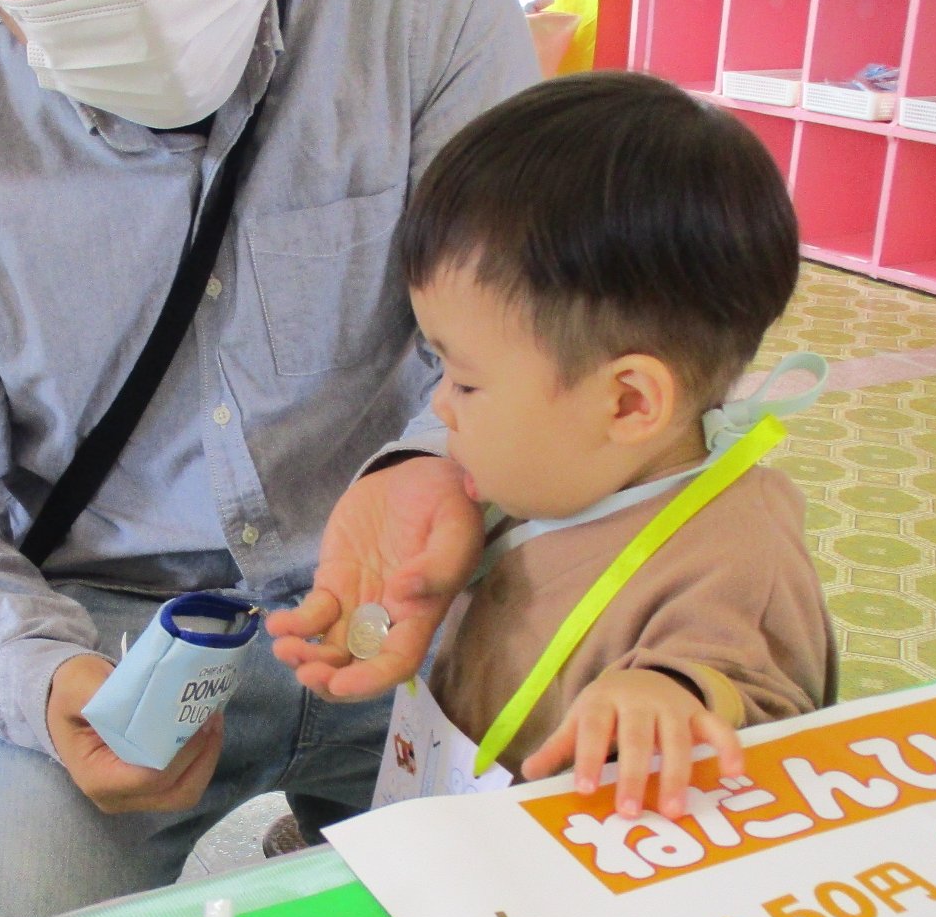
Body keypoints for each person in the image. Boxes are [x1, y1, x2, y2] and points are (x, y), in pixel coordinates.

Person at [0, 0, 539, 917]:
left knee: (576, 860)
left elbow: (535, 330)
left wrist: (430, 460)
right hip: (105, 624)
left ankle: (350, 825)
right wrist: (43, 678)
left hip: (417, 577)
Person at [308, 71, 836, 817]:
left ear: (627, 402)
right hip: (472, 828)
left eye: (464, 381)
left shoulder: (738, 545)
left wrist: (671, 693)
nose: (439, 406)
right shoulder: (552, 473)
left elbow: (755, 696)